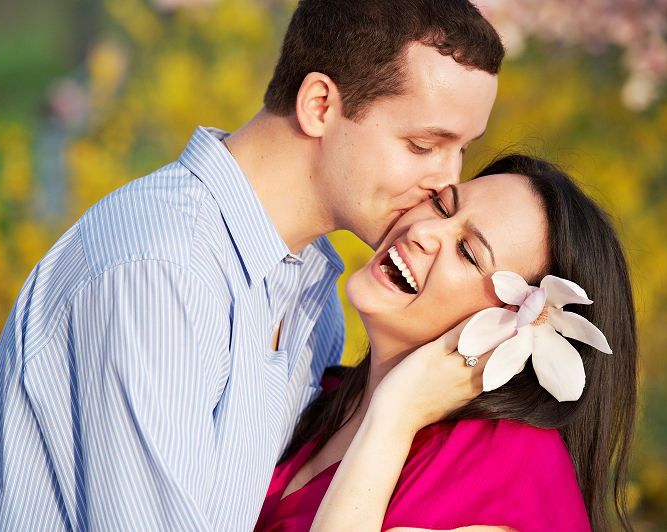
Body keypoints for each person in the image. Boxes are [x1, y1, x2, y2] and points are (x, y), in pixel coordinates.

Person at [0, 1, 504, 530]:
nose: (448, 181)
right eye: (424, 144)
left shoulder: (310, 296)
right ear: (320, 106)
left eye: (462, 151)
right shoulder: (160, 271)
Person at [254, 154, 637, 532]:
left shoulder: (509, 469)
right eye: (440, 205)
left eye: (468, 252)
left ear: (520, 331)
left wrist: (395, 415)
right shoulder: (318, 389)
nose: (421, 232)